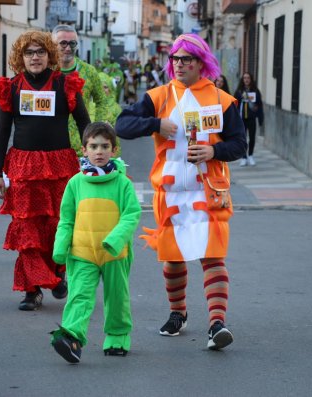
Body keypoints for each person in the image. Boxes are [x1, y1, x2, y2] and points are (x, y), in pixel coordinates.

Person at [116, 33, 246, 351]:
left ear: (201, 63)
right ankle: (178, 313)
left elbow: (240, 144)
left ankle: (217, 324)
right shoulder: (158, 96)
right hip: (171, 194)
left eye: (186, 59)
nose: (179, 64)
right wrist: (155, 124)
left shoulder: (222, 100)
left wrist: (213, 153)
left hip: (210, 191)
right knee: (173, 260)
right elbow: (122, 125)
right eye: (175, 58)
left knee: (212, 257)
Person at [0, 30, 90, 311]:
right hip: (23, 167)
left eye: (40, 52)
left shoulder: (65, 84)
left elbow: (85, 124)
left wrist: (95, 157)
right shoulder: (11, 87)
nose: (35, 58)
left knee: (59, 226)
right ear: (20, 58)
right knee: (27, 230)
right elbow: (1, 134)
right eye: (29, 53)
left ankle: (55, 273)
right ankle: (32, 290)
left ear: (50, 55)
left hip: (60, 167)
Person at [51, 122, 141, 363]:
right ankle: (71, 337)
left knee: (116, 297)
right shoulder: (75, 183)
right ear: (84, 150)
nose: (99, 151)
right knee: (79, 295)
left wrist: (115, 239)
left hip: (115, 253)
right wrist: (61, 246)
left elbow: (131, 214)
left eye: (104, 146)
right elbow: (66, 218)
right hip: (82, 253)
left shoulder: (123, 183)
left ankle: (118, 336)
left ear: (114, 150)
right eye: (93, 146)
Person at [52, 25, 108, 157]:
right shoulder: (47, 71)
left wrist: (97, 129)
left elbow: (101, 101)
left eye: (72, 43)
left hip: (82, 148)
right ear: (53, 45)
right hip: (51, 146)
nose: (68, 48)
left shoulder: (89, 71)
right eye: (63, 43)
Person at [234, 72, 264, 166]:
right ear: (242, 80)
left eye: (248, 78)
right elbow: (234, 103)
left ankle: (250, 155)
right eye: (244, 78)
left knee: (252, 137)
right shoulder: (239, 91)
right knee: (243, 138)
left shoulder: (255, 90)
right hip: (242, 118)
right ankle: (244, 157)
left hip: (251, 118)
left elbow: (259, 104)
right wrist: (240, 97)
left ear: (251, 79)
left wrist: (260, 117)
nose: (246, 80)